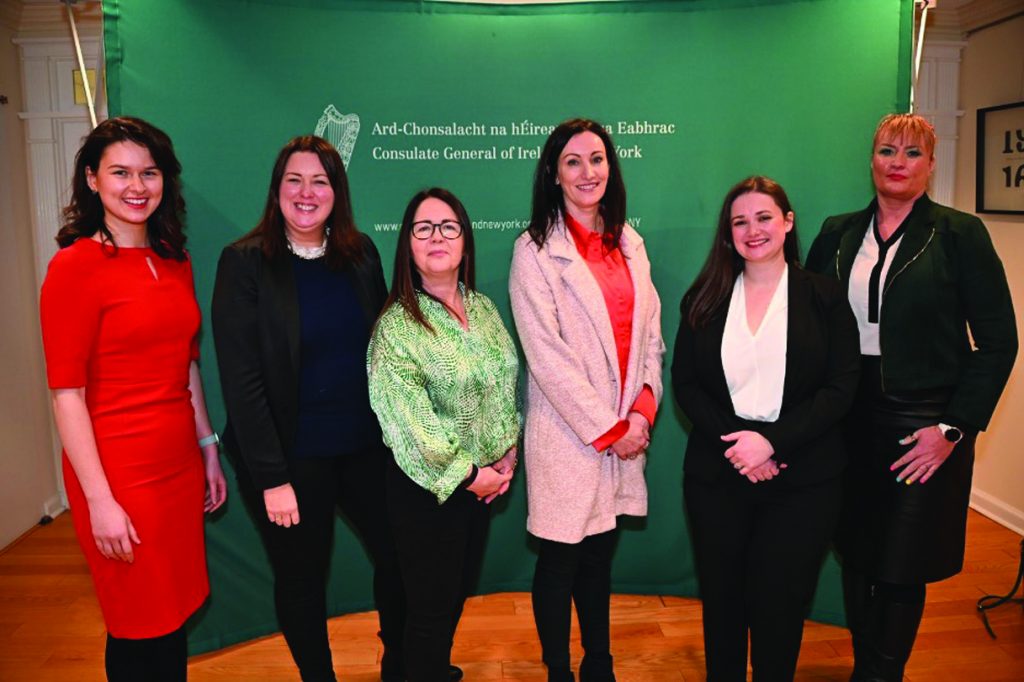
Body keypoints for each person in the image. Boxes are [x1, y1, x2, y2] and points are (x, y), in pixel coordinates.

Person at [806, 113, 1017, 681]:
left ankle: (881, 676)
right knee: (855, 550)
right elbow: (809, 326)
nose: (898, 162)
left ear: (930, 164)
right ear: (871, 159)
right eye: (886, 150)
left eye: (912, 153)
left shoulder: (959, 234)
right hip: (848, 417)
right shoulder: (835, 233)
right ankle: (863, 669)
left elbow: (999, 342)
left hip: (923, 423)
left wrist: (953, 429)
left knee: (902, 561)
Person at [211, 136, 406, 682]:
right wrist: (272, 477)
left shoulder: (361, 253)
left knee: (401, 557)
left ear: (336, 193)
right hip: (288, 458)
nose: (306, 192)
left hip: (365, 447)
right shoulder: (245, 263)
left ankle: (400, 663)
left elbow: (387, 349)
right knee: (302, 577)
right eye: (294, 180)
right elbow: (242, 379)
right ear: (276, 192)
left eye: (320, 180)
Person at [39, 116, 227, 682]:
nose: (137, 186)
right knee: (136, 622)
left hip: (177, 463)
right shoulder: (72, 267)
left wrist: (207, 447)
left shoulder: (175, 260)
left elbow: (186, 365)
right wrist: (99, 500)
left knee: (170, 618)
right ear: (92, 180)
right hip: (118, 473)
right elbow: (67, 393)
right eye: (120, 172)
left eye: (149, 172)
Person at [672, 176, 861, 681]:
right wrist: (741, 446)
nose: (752, 230)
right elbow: (686, 385)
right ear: (727, 232)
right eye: (740, 221)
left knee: (780, 606)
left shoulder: (824, 296)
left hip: (804, 482)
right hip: (719, 475)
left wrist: (772, 443)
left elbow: (841, 388)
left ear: (787, 222)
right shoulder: (704, 297)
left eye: (763, 218)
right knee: (724, 603)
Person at [508, 118, 665, 682]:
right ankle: (558, 670)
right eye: (572, 161)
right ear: (553, 173)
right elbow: (546, 358)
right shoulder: (533, 251)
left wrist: (642, 411)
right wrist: (610, 428)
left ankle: (599, 664)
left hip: (626, 432)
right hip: (569, 436)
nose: (587, 172)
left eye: (596, 159)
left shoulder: (631, 243)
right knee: (560, 560)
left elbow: (652, 337)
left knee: (599, 557)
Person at [367, 187, 521, 682]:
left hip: (480, 490)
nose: (437, 236)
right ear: (408, 245)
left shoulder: (483, 309)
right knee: (428, 615)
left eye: (449, 227)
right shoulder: (395, 327)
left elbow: (505, 381)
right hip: (427, 494)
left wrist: (507, 454)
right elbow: (409, 426)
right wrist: (472, 475)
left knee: (450, 602)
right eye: (424, 228)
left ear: (465, 243)